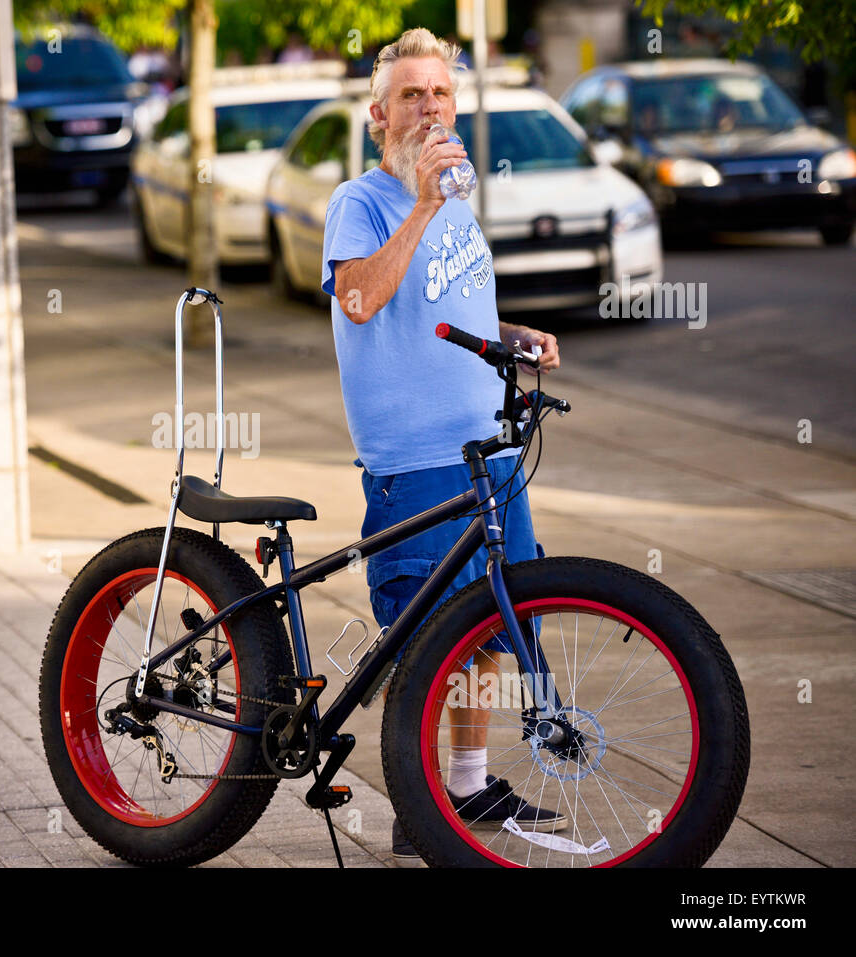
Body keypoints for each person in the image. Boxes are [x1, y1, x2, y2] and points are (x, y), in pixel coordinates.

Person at [320, 28, 568, 861]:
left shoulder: (456, 199)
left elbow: (440, 310)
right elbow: (359, 298)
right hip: (416, 463)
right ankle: (419, 804)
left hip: (488, 452)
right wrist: (422, 201)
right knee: (428, 645)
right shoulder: (363, 202)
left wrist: (510, 333)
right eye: (411, 95)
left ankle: (468, 783)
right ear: (378, 115)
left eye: (440, 94)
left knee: (491, 627)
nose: (429, 107)